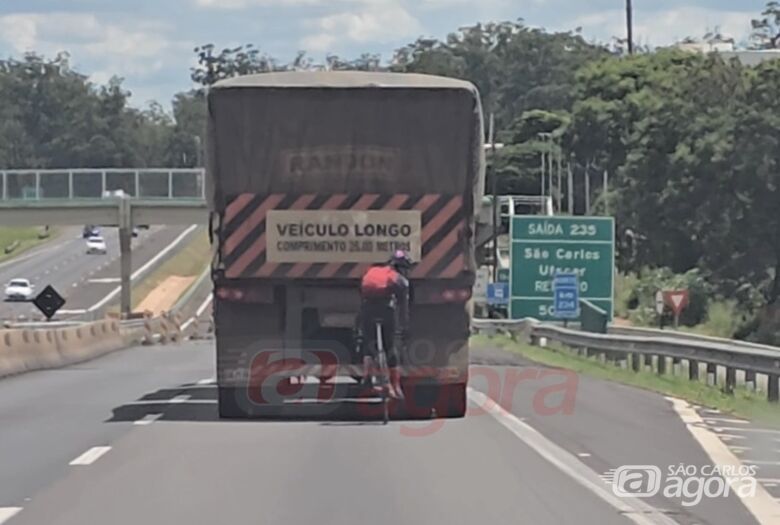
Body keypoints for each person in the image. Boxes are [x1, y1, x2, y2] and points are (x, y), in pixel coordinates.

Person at [355, 250, 413, 399]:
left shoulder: (372, 272)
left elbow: (361, 295)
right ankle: (395, 385)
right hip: (386, 311)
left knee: (368, 342)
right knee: (390, 346)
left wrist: (359, 327)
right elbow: (403, 306)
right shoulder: (399, 280)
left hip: (368, 310)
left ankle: (367, 376)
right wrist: (404, 326)